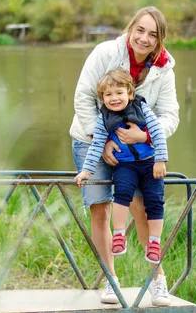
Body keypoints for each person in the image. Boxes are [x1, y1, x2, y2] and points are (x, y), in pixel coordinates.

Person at [70, 6, 179, 306]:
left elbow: (170, 115)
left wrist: (144, 136)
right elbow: (82, 96)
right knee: (100, 210)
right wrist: (101, 140)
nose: (144, 39)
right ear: (131, 28)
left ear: (159, 40)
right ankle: (111, 281)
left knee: (141, 209)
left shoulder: (163, 68)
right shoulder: (105, 53)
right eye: (140, 30)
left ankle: (159, 281)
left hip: (137, 152)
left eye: (152, 35)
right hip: (90, 140)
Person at [74, 69, 168, 265]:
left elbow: (158, 132)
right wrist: (86, 171)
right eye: (108, 95)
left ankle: (154, 242)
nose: (114, 98)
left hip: (150, 162)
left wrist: (160, 160)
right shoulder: (104, 118)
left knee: (154, 201)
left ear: (130, 94)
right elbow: (97, 144)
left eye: (119, 93)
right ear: (102, 98)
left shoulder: (142, 109)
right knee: (122, 194)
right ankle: (118, 235)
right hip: (125, 165)